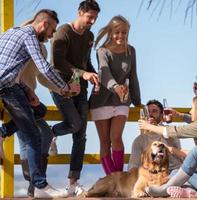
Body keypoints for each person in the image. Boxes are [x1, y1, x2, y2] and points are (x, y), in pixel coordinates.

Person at [0, 9, 80, 198]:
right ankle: (39, 186)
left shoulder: (12, 32)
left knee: (40, 110)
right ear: (44, 25)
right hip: (6, 87)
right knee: (33, 136)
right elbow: (44, 68)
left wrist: (28, 91)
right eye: (52, 30)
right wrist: (65, 87)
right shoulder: (30, 36)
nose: (52, 35)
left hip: (10, 84)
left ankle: (3, 132)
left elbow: (9, 67)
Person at [49, 0, 100, 196]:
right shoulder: (63, 32)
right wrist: (82, 73)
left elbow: (85, 62)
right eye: (89, 17)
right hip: (60, 85)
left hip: (82, 88)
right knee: (75, 124)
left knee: (81, 135)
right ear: (80, 12)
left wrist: (94, 76)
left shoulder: (89, 36)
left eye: (95, 18)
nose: (92, 21)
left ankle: (72, 183)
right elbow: (58, 62)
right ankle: (51, 131)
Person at [89, 15, 141, 175]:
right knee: (105, 142)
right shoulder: (102, 51)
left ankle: (119, 179)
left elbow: (133, 77)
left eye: (124, 32)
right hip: (101, 100)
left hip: (122, 101)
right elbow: (104, 74)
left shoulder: (131, 51)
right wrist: (116, 87)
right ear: (110, 32)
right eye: (117, 32)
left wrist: (138, 103)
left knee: (116, 138)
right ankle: (112, 181)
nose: (121, 36)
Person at [128, 99, 183, 172]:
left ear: (161, 114)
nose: (150, 114)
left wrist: (155, 127)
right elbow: (133, 165)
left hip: (173, 173)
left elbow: (179, 159)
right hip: (152, 176)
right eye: (148, 112)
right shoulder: (139, 140)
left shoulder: (170, 131)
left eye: (154, 111)